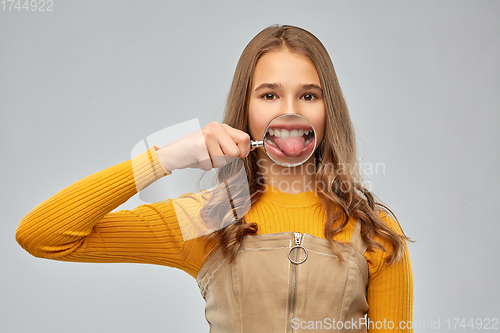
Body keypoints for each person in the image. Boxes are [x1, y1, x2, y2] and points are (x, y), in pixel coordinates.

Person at [15, 25, 413, 332]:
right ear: (246, 109)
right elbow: (42, 235)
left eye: (308, 95)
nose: (290, 111)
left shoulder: (374, 233)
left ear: (329, 112)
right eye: (269, 95)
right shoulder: (208, 219)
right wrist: (169, 156)